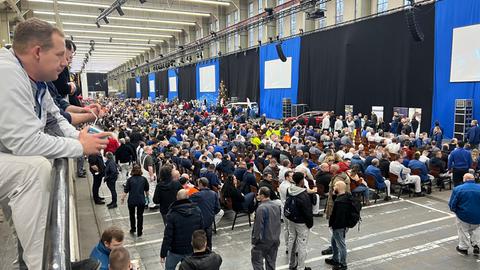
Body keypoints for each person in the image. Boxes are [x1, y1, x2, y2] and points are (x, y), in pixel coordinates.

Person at [160, 190, 204, 270]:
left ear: (177, 197)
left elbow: (168, 236)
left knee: (169, 267)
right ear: (188, 197)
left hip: (175, 250)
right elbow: (201, 231)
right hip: (191, 248)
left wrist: (163, 253)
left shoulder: (172, 214)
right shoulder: (197, 210)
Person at [286, 172, 313, 270]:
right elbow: (307, 211)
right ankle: (301, 267)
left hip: (291, 218)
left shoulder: (289, 189)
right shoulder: (303, 194)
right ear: (302, 180)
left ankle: (291, 264)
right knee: (302, 244)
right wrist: (310, 224)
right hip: (301, 222)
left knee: (291, 240)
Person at [448, 173, 480, 256]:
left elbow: (452, 204)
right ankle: (476, 245)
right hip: (478, 215)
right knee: (476, 230)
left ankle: (463, 248)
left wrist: (456, 211)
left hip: (463, 215)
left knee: (463, 231)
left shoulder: (458, 189)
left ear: (464, 179)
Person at [251, 187, 282, 270]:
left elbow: (258, 227)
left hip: (264, 241)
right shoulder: (276, 206)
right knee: (271, 263)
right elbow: (278, 223)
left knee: (257, 261)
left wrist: (255, 241)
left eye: (258, 194)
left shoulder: (261, 208)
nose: (257, 195)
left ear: (262, 195)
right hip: (275, 240)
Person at [189, 177, 224, 250]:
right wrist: (210, 213)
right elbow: (217, 208)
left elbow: (188, 203)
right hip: (209, 220)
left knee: (199, 240)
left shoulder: (197, 195)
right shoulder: (213, 193)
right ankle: (209, 252)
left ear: (200, 184)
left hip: (199, 221)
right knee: (209, 240)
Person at [325, 181, 351, 270]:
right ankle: (335, 259)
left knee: (341, 245)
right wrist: (333, 194)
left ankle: (343, 264)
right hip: (343, 225)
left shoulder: (340, 202)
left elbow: (337, 216)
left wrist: (332, 225)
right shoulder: (346, 196)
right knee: (333, 242)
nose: (333, 187)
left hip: (339, 226)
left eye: (335, 186)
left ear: (338, 188)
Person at [121, 164, 149, 237]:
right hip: (141, 200)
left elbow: (126, 191)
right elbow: (147, 190)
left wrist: (122, 198)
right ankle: (140, 231)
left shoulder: (130, 180)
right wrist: (147, 198)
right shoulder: (144, 179)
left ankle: (133, 228)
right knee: (140, 216)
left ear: (132, 170)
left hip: (132, 200)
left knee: (132, 215)